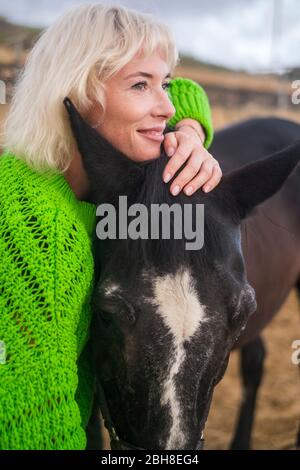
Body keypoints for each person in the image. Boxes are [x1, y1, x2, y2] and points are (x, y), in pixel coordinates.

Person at [0, 3, 222, 449]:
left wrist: (191, 130)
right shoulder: (38, 228)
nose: (165, 106)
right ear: (77, 95)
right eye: (140, 86)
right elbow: (34, 418)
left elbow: (189, 91)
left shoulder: (62, 180)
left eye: (166, 85)